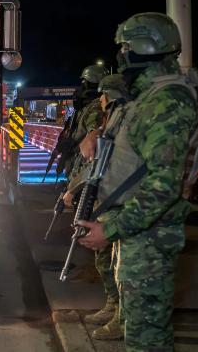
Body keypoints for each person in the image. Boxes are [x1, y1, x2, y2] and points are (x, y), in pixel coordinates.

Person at [77, 12, 198, 351]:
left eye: (126, 46)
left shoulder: (167, 101)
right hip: (140, 233)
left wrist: (112, 228)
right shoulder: (146, 98)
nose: (121, 54)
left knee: (147, 339)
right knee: (138, 331)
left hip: (152, 236)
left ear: (148, 46)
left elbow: (164, 185)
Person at [65, 73, 129, 341]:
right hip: (109, 199)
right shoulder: (111, 117)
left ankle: (122, 318)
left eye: (104, 95)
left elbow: (101, 162)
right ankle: (114, 308)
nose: (99, 100)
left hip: (122, 202)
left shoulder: (120, 117)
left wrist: (74, 188)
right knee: (110, 262)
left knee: (122, 267)